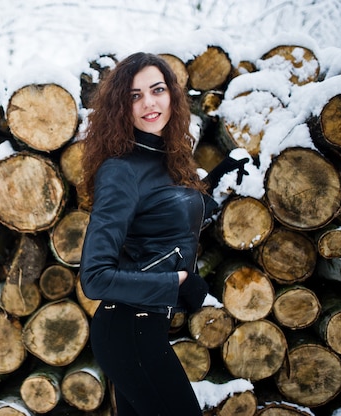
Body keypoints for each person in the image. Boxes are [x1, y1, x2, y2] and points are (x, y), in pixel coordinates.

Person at [79, 52, 246, 415]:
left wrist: (217, 180)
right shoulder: (120, 170)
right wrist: (176, 281)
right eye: (134, 95)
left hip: (144, 329)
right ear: (119, 106)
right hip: (127, 331)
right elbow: (94, 278)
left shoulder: (164, 159)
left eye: (157, 90)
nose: (149, 103)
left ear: (172, 94)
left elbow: (163, 219)